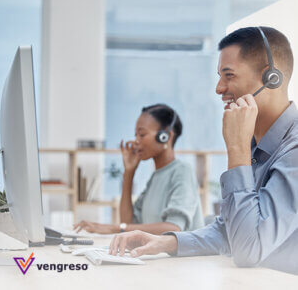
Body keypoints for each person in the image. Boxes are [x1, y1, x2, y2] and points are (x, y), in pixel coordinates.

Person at [108, 27, 298, 275]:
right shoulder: (256, 147)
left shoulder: (291, 151)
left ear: (270, 77)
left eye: (229, 75)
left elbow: (249, 248)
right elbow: (229, 230)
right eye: (219, 76)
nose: (219, 88)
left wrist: (237, 148)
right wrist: (165, 242)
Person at [74, 104, 204, 235]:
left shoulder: (183, 171)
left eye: (142, 134)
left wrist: (113, 228)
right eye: (136, 135)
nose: (136, 141)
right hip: (162, 255)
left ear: (165, 136)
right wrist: (129, 173)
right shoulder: (156, 177)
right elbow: (129, 222)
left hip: (186, 256)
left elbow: (174, 228)